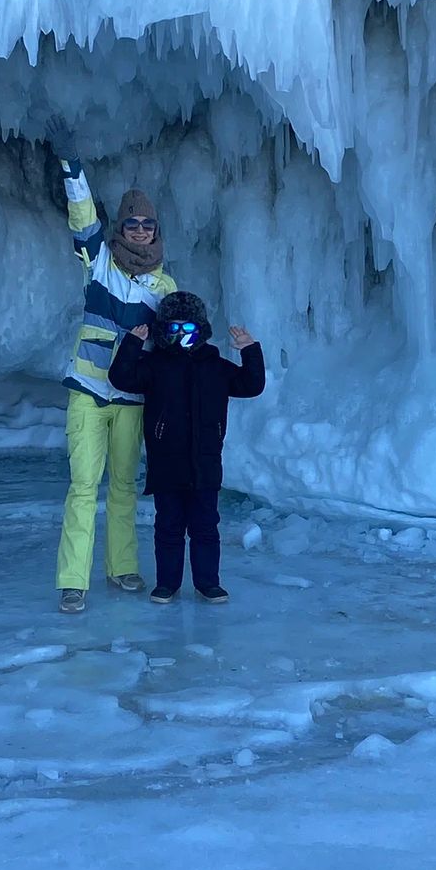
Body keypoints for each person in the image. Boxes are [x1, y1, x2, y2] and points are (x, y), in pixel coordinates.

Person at [45, 115, 177, 614]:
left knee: (123, 486)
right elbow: (82, 216)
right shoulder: (99, 261)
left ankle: (122, 567)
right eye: (132, 224)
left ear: (155, 231)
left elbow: (177, 341)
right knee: (83, 486)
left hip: (131, 398)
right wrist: (71, 163)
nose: (140, 231)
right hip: (87, 390)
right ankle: (72, 581)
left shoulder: (164, 286)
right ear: (121, 228)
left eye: (147, 225)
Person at [108, 291, 265, 603]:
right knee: (168, 527)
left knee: (205, 527)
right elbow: (121, 378)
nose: (181, 335)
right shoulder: (155, 365)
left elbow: (251, 385)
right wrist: (132, 344)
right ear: (164, 331)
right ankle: (167, 583)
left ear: (200, 330)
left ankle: (208, 583)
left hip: (205, 463)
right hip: (166, 463)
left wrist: (250, 350)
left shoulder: (216, 367)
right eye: (174, 328)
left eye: (188, 328)